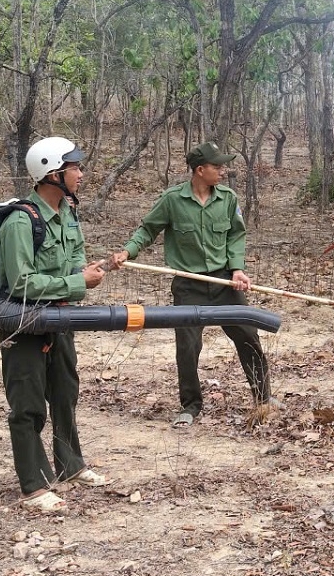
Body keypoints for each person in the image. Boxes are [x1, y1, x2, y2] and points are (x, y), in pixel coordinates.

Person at [109, 142, 274, 428]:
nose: (223, 171)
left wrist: (237, 269)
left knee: (248, 337)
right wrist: (127, 251)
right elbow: (148, 229)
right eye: (217, 166)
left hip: (224, 283)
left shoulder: (228, 198)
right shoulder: (172, 200)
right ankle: (190, 405)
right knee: (187, 347)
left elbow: (236, 235)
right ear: (200, 170)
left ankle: (263, 399)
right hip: (189, 286)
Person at [0, 136, 111, 513]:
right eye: (74, 167)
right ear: (53, 173)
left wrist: (85, 272)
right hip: (25, 325)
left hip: (61, 319)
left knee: (65, 393)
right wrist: (77, 283)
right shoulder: (20, 221)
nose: (80, 173)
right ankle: (33, 484)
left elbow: (73, 259)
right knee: (27, 403)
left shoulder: (67, 214)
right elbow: (21, 283)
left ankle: (70, 465)